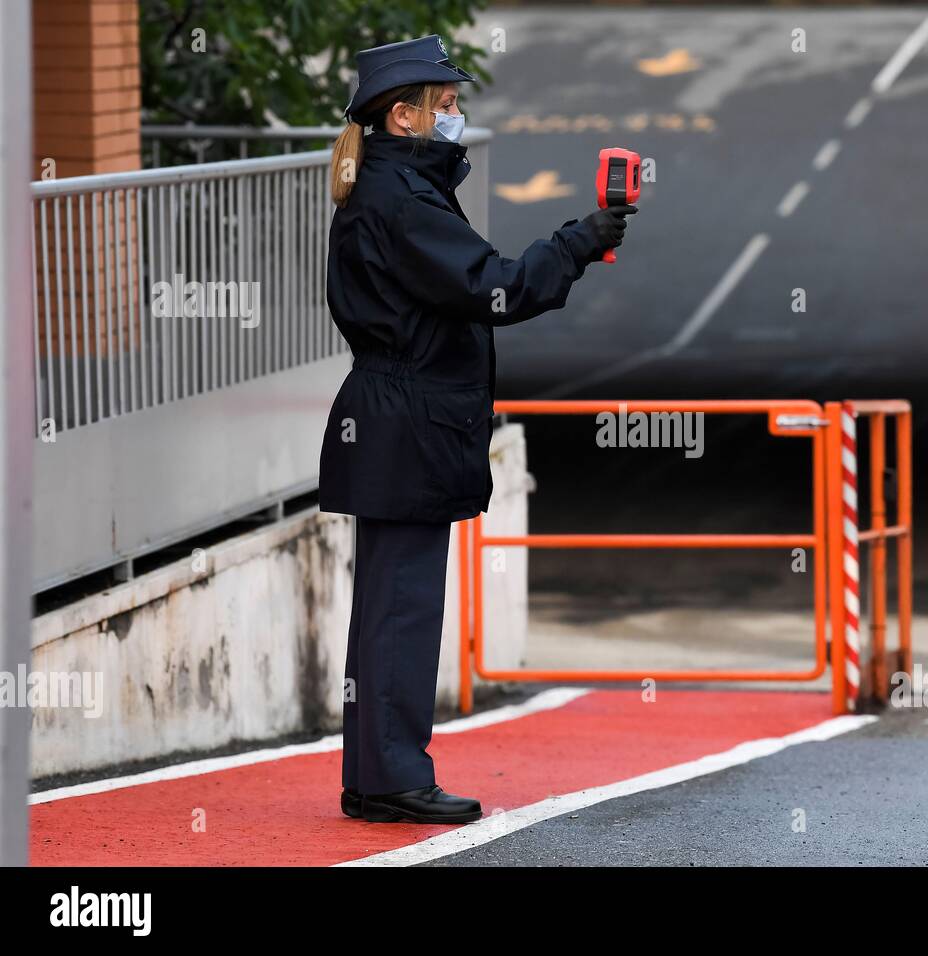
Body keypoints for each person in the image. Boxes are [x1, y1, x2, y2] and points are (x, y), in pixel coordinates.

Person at [319, 34, 636, 823]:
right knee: (404, 611)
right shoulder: (402, 199)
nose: (457, 117)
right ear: (404, 116)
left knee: (389, 609)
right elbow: (495, 286)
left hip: (397, 420)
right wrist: (580, 239)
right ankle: (391, 780)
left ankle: (377, 775)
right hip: (407, 422)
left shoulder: (395, 186)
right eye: (447, 106)